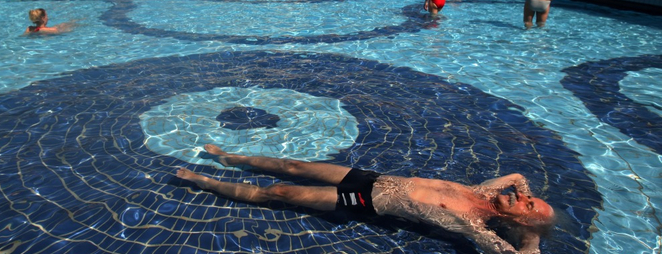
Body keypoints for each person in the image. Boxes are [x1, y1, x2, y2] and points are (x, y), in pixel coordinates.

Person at [178, 144, 555, 254]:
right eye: (529, 198)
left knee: (279, 192)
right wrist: (525, 196)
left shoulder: (473, 224)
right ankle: (232, 157)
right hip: (372, 178)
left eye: (528, 205)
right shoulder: (484, 192)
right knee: (293, 165)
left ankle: (206, 182)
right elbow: (519, 174)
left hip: (366, 202)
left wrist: (532, 234)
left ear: (522, 219)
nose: (523, 196)